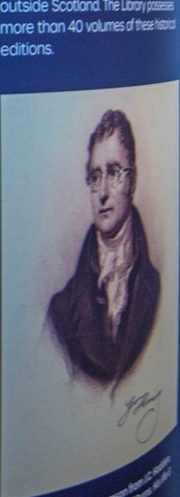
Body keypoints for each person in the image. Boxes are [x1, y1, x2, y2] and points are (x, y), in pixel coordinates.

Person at [47, 109, 160, 390]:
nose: (104, 191)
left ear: (131, 180)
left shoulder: (155, 284)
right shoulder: (61, 309)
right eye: (95, 176)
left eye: (114, 172)